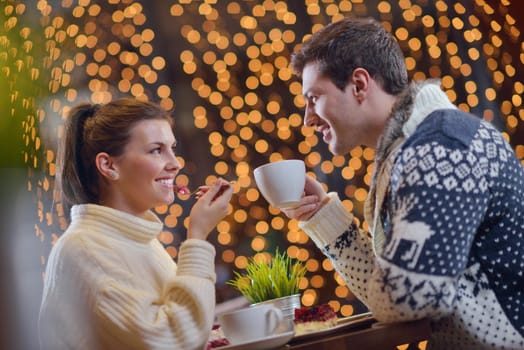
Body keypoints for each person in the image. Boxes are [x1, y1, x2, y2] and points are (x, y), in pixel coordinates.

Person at [282, 17, 524, 349]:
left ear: (359, 84)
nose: (308, 118)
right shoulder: (408, 151)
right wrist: (324, 218)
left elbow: (408, 299)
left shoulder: (440, 149)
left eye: (314, 98)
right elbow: (390, 290)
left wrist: (392, 286)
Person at [38, 98, 234, 350]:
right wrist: (197, 236)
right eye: (156, 150)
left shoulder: (141, 241)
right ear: (108, 165)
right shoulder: (84, 249)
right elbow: (176, 339)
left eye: (172, 148)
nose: (175, 163)